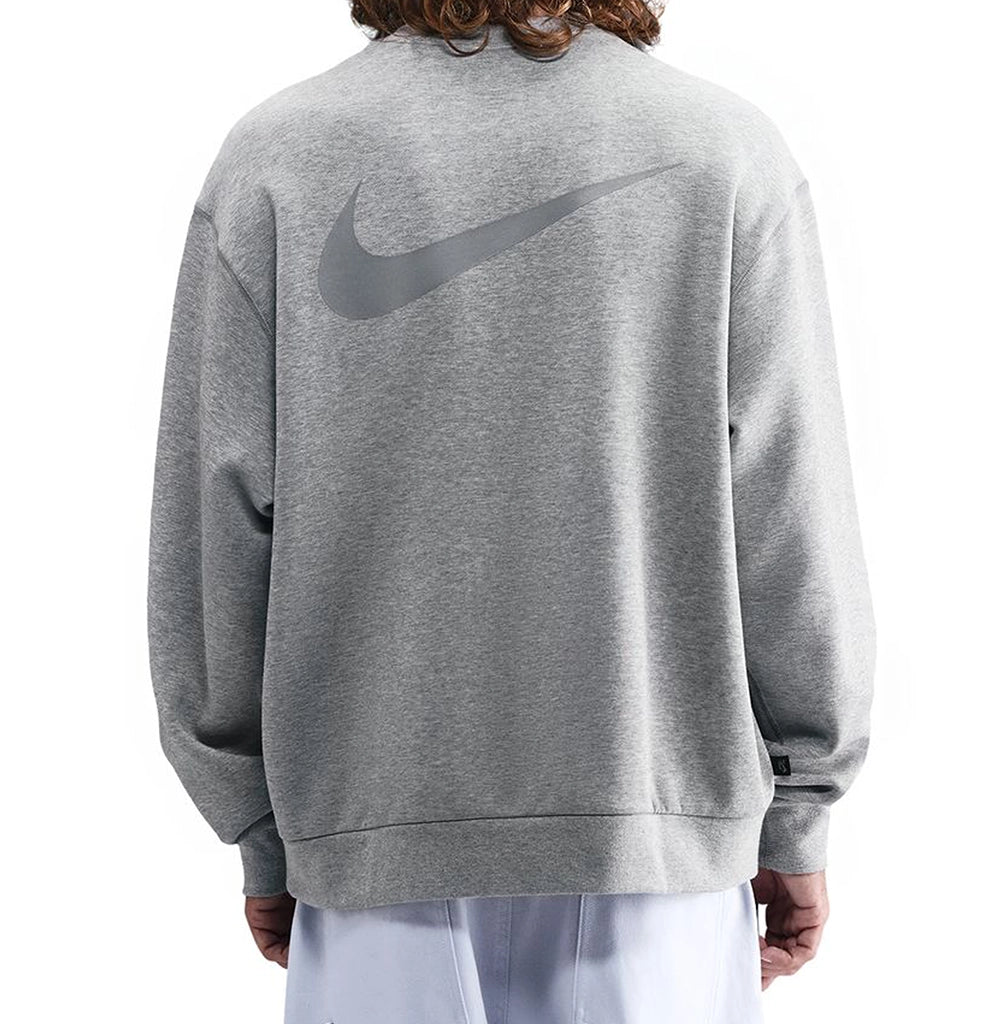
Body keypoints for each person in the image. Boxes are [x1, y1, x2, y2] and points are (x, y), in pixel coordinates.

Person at [147, 2, 876, 1020]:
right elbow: (789, 511)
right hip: (652, 842)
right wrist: (798, 808)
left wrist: (260, 827)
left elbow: (212, 528)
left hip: (373, 843)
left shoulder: (281, 155)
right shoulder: (719, 150)